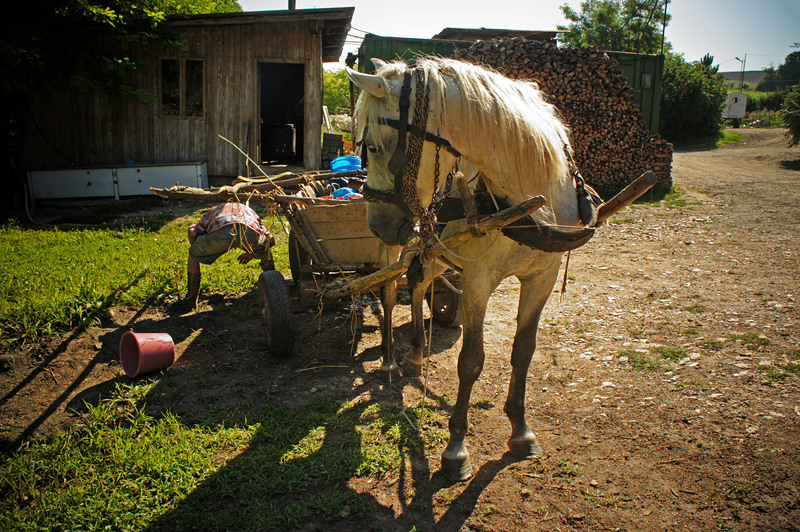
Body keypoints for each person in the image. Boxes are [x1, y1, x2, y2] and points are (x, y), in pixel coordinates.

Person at [180, 202, 275, 310]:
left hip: (221, 232)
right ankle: (273, 287)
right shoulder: (248, 211)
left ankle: (191, 300)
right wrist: (252, 253)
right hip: (248, 231)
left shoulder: (214, 211)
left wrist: (197, 250)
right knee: (265, 248)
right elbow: (270, 240)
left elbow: (192, 233)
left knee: (193, 256)